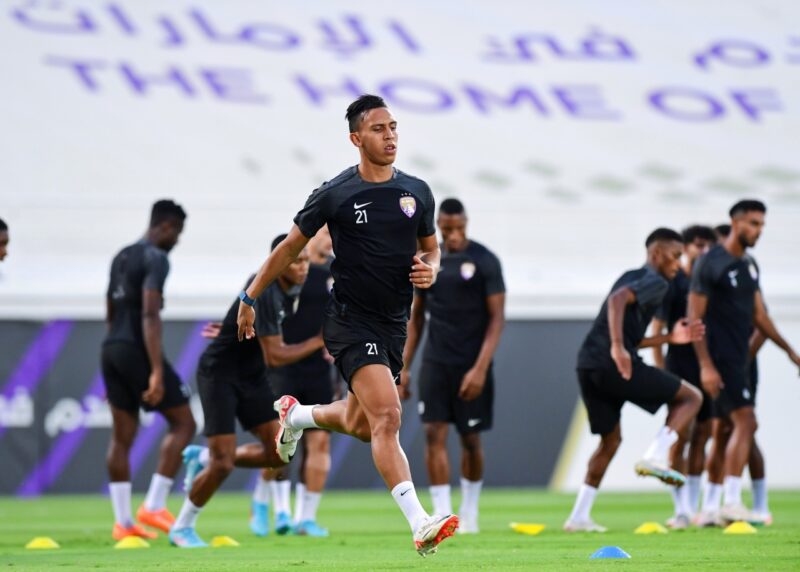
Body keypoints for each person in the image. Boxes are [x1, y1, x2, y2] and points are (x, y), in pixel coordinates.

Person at [235, 94, 459, 557]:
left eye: (393, 127)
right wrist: (249, 297)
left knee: (360, 423)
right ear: (356, 139)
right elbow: (288, 248)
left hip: (393, 324)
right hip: (350, 322)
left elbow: (432, 249)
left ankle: (297, 416)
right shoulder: (335, 194)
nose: (390, 136)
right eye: (378, 129)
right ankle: (420, 522)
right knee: (388, 417)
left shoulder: (417, 191)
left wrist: (431, 268)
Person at [169, 235, 321, 548]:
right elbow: (275, 356)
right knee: (222, 464)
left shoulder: (289, 288)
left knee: (280, 452)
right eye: (297, 261)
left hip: (251, 375)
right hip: (220, 374)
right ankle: (182, 527)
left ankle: (203, 458)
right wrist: (321, 341)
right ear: (280, 261)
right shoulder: (264, 288)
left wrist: (229, 327)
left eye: (307, 260)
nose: (304, 267)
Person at [564, 228, 703, 532]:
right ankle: (655, 456)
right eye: (675, 256)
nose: (679, 264)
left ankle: (578, 517)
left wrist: (669, 338)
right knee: (692, 397)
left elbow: (630, 336)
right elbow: (617, 301)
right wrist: (617, 347)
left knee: (610, 441)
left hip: (588, 365)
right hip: (614, 363)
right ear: (656, 254)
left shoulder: (631, 276)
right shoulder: (656, 282)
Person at [689, 201, 798, 524]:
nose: (758, 230)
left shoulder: (750, 264)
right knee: (747, 422)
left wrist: (789, 351)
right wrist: (706, 366)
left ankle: (710, 508)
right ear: (735, 223)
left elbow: (760, 316)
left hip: (741, 359)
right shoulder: (710, 263)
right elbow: (694, 318)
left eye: (761, 224)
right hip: (720, 358)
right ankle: (732, 501)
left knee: (725, 429)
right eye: (753, 223)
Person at [401, 198, 505, 534]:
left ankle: (470, 512)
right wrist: (404, 367)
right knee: (433, 433)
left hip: (472, 364)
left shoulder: (485, 260)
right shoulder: (428, 262)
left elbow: (497, 319)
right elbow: (417, 319)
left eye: (459, 228)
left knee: (471, 438)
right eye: (448, 229)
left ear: (466, 223)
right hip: (436, 361)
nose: (454, 235)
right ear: (439, 227)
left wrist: (480, 369)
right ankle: (443, 514)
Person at [101, 200, 196, 540]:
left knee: (121, 437)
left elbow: (111, 309)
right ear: (166, 226)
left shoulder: (121, 255)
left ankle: (123, 523)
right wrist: (155, 370)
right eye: (178, 233)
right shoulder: (157, 258)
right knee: (184, 422)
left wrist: (115, 357)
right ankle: (154, 505)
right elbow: (150, 314)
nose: (177, 241)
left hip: (111, 347)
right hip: (137, 349)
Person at [250, 227, 336, 538]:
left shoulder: (337, 272)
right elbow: (250, 305)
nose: (330, 238)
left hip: (318, 370)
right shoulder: (279, 271)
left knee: (319, 442)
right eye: (325, 232)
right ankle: (269, 504)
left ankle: (306, 518)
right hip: (283, 368)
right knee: (281, 442)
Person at [649, 225, 717, 528]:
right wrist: (662, 372)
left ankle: (694, 505)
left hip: (708, 367)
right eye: (698, 245)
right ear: (686, 248)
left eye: (708, 246)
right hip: (679, 367)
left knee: (703, 435)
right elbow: (658, 329)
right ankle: (681, 508)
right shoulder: (674, 284)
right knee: (681, 436)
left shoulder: (711, 283)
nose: (704, 251)